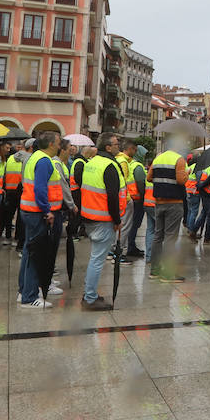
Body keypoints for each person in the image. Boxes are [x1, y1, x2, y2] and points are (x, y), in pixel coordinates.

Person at [17, 131, 62, 309]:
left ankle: (23, 291)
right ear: (51, 144)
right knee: (36, 256)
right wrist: (47, 210)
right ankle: (30, 297)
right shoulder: (44, 161)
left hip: (28, 210)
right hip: (37, 212)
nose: (60, 146)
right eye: (58, 143)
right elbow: (41, 189)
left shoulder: (34, 157)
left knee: (29, 253)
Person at [79, 133, 122, 310]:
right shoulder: (110, 165)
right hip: (103, 218)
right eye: (116, 144)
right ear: (108, 147)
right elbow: (112, 196)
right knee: (97, 260)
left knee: (94, 258)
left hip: (89, 216)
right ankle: (90, 298)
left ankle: (90, 293)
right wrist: (117, 219)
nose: (118, 146)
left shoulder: (91, 163)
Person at [149, 138, 189, 282]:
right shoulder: (179, 160)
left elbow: (149, 178)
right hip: (174, 203)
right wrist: (187, 173)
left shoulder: (158, 159)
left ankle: (154, 270)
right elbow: (181, 181)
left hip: (159, 203)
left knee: (157, 236)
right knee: (170, 238)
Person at [116, 140, 148, 261]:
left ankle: (128, 247)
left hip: (130, 197)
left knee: (130, 225)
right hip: (135, 198)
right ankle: (129, 247)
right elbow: (139, 183)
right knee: (132, 225)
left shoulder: (130, 163)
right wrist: (142, 194)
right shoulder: (137, 166)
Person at [0, 140, 28, 245]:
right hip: (21, 190)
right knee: (20, 216)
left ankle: (7, 236)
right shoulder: (27, 159)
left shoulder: (10, 158)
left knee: (9, 214)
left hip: (9, 190)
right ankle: (17, 237)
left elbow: (4, 173)